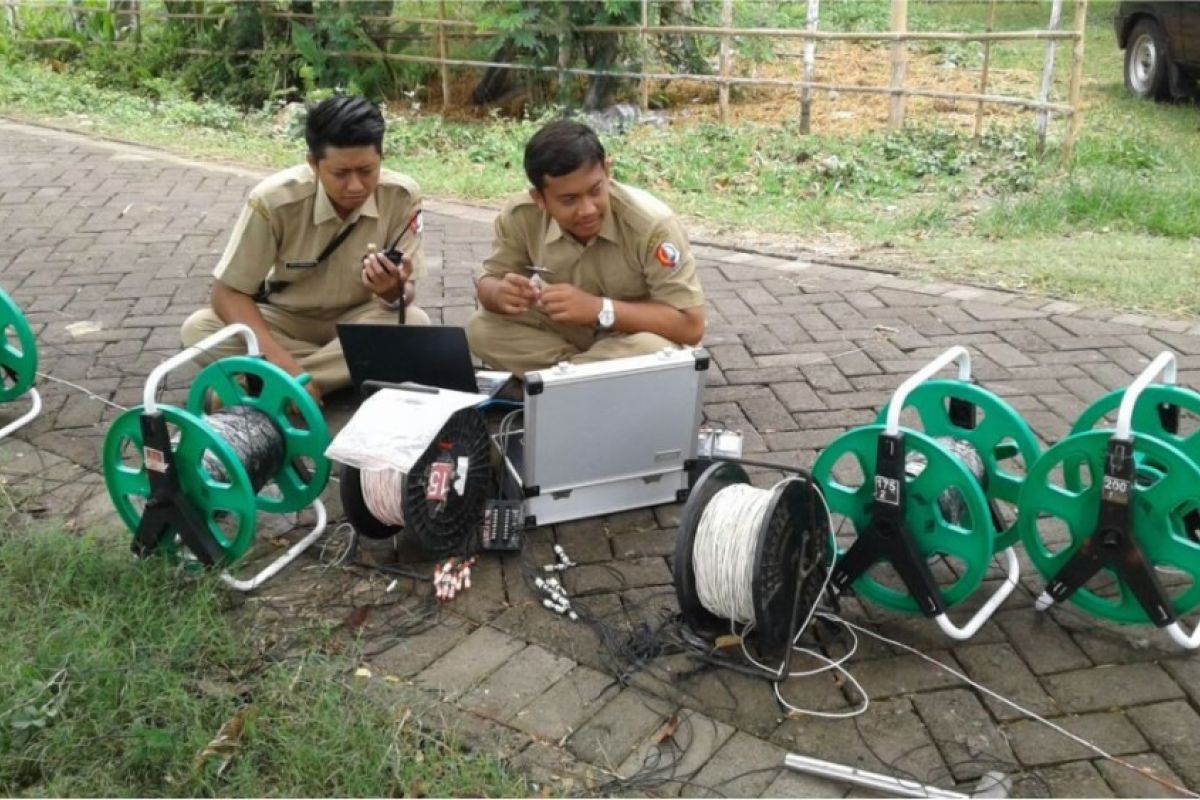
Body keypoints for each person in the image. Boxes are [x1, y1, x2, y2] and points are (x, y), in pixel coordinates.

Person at [180, 96, 430, 405]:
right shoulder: (273, 200)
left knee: (415, 323)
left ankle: (263, 388)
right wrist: (285, 363)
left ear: (381, 156)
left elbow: (404, 299)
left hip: (356, 318)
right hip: (284, 318)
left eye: (367, 170)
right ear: (313, 163)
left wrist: (394, 292)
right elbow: (227, 293)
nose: (355, 186)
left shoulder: (402, 195)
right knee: (199, 329)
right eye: (340, 173)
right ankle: (323, 376)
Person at [466, 120, 705, 377]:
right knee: (481, 328)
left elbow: (690, 326)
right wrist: (500, 294)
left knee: (654, 350)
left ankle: (558, 382)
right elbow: (489, 282)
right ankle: (585, 377)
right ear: (540, 199)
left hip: (635, 335)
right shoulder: (521, 216)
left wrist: (600, 309)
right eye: (569, 200)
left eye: (595, 191)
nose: (588, 209)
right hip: (572, 332)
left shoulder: (653, 226)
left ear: (607, 171)